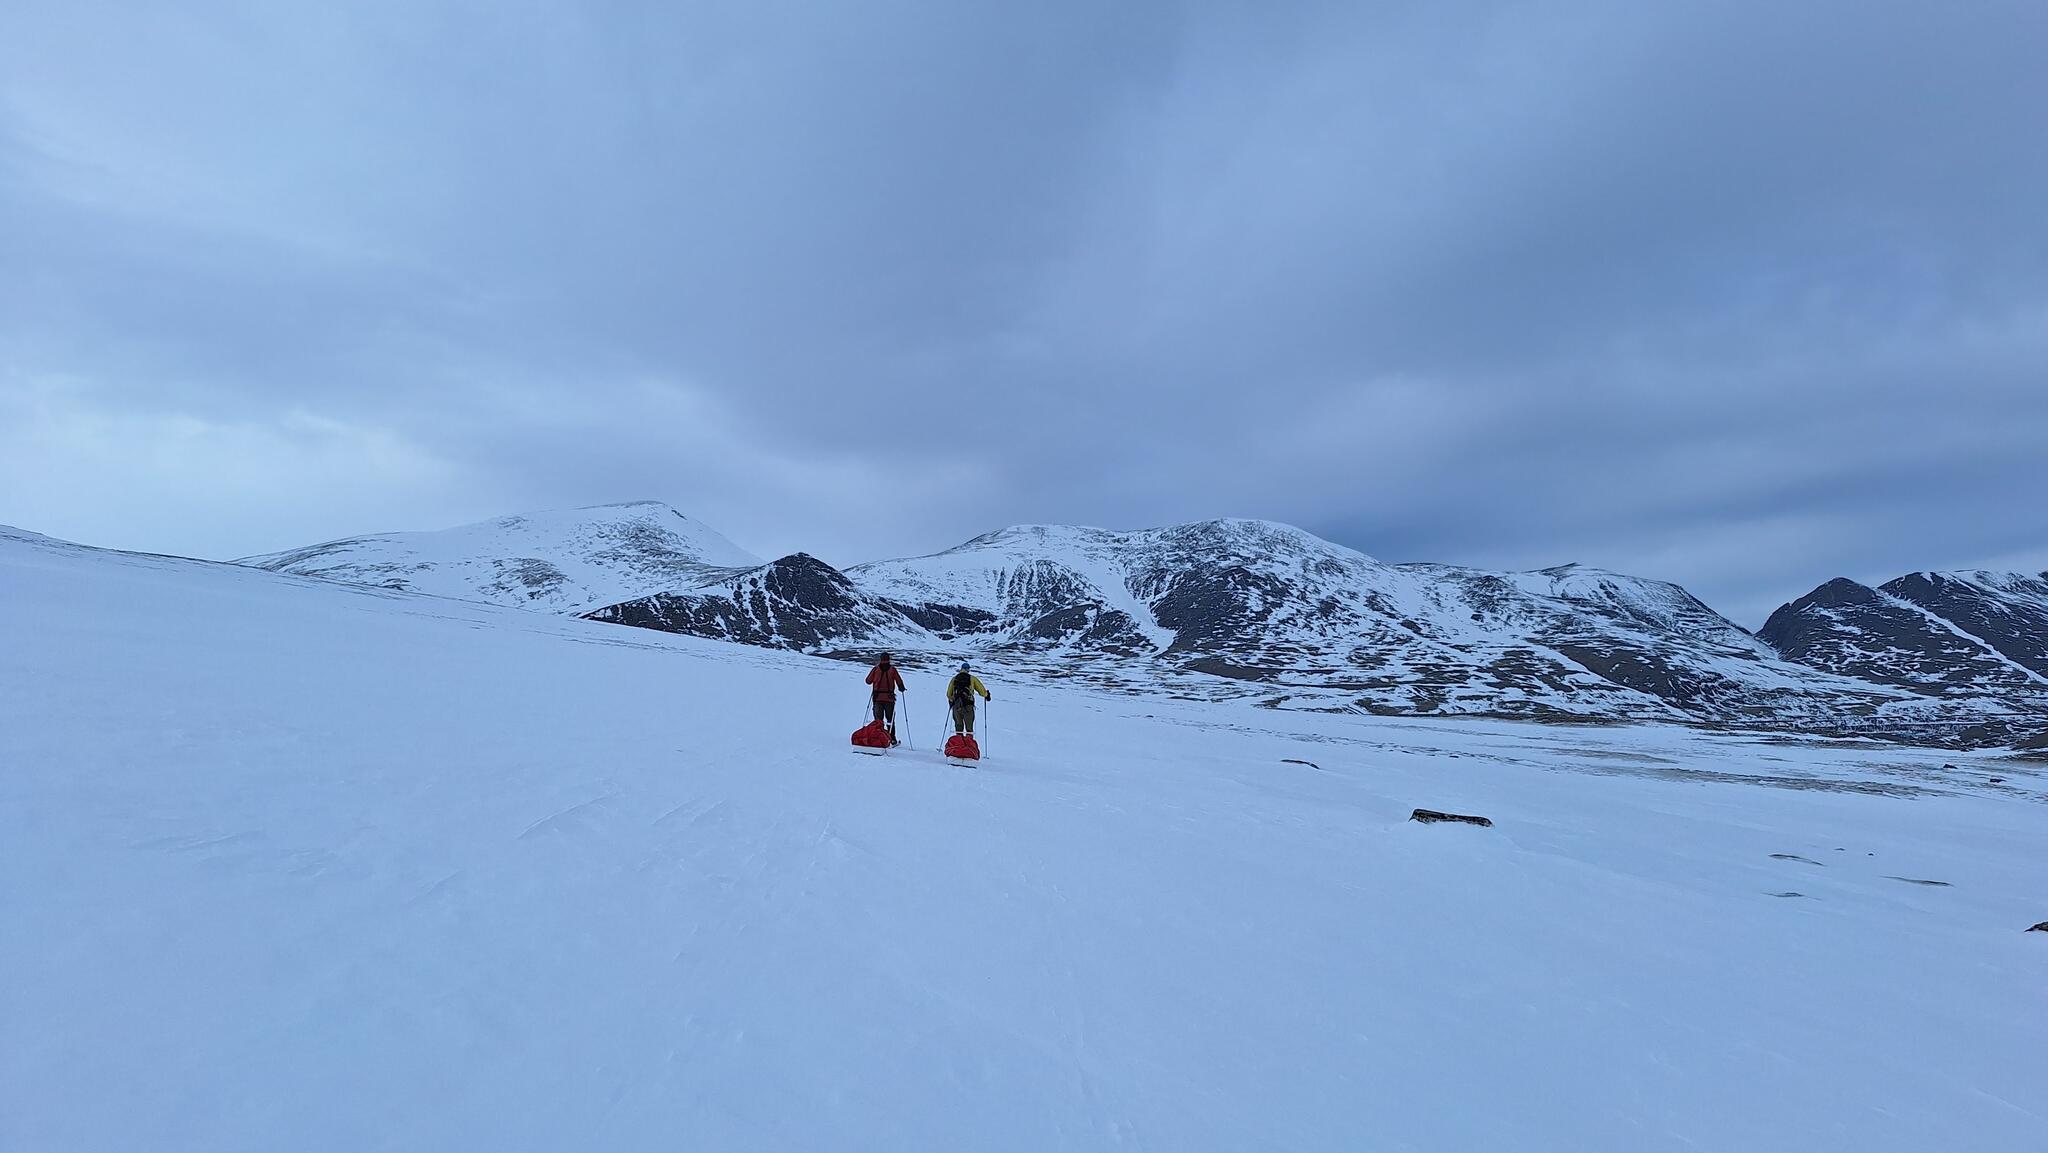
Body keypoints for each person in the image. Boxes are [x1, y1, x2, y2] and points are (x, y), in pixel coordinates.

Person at [865, 652, 906, 745]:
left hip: (877, 698)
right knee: (890, 720)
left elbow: (868, 681)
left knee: (878, 720)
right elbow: (899, 681)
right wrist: (901, 688)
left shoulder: (875, 669)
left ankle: (879, 738)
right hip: (889, 698)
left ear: (880, 659)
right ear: (889, 659)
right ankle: (892, 738)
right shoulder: (892, 670)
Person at [946, 661, 991, 735]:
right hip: (968, 705)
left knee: (959, 727)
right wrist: (987, 695)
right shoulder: (972, 678)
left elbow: (948, 694)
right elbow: (981, 691)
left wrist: (952, 701)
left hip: (956, 706)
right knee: (969, 728)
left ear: (961, 669)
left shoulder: (954, 679)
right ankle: (969, 741)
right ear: (968, 669)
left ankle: (959, 741)